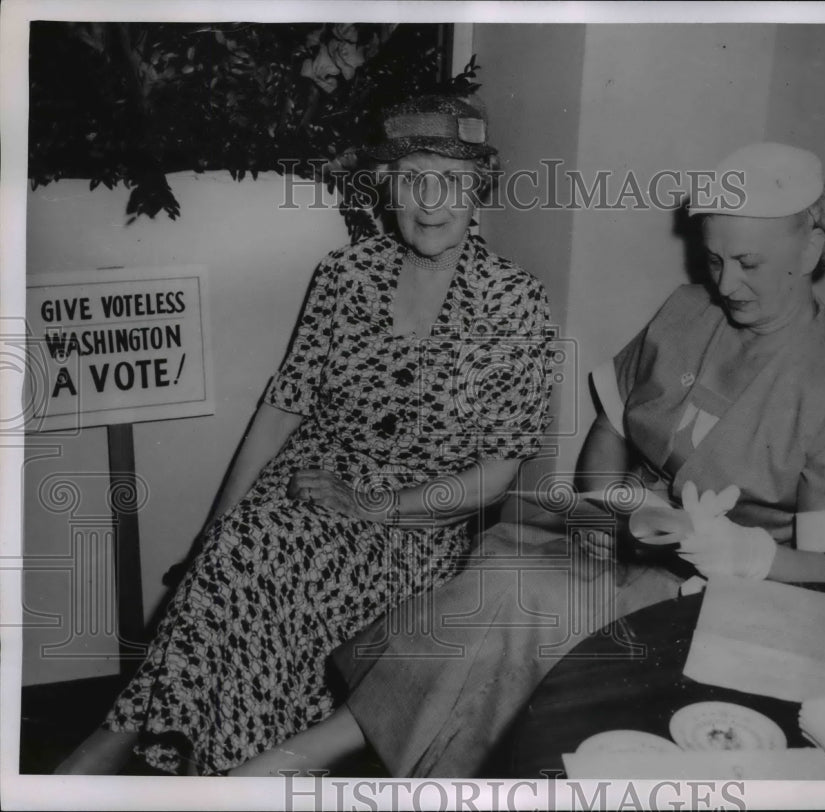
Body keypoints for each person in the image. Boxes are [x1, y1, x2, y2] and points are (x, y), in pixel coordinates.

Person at [229, 142, 825, 778]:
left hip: (717, 600)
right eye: (715, 260)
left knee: (514, 606)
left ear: (809, 248)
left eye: (747, 263)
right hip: (615, 542)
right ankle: (363, 758)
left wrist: (750, 557)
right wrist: (614, 500)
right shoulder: (692, 311)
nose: (726, 284)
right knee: (499, 568)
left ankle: (317, 755)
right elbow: (613, 419)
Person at [56, 93, 554, 776]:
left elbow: (496, 479)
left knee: (262, 580)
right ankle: (221, 772)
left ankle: (147, 764)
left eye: (452, 182)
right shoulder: (345, 275)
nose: (430, 202)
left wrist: (371, 506)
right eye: (412, 179)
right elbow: (282, 408)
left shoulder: (513, 301)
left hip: (413, 525)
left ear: (479, 192)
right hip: (309, 486)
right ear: (386, 187)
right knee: (236, 554)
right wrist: (216, 526)